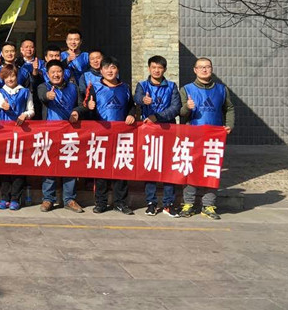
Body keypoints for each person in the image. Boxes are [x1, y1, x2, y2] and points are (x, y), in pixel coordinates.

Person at [179, 57, 234, 220]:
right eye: (201, 67)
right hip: (193, 136)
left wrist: (229, 125)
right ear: (195, 70)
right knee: (191, 170)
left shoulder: (222, 89)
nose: (204, 70)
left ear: (211, 69)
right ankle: (188, 203)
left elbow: (229, 108)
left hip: (214, 137)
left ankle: (209, 205)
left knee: (212, 170)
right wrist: (187, 107)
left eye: (207, 67)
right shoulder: (186, 89)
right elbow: (181, 113)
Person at [84, 56, 139, 215]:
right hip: (101, 135)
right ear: (101, 71)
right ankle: (101, 202)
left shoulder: (125, 87)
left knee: (121, 169)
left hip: (121, 136)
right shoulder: (94, 87)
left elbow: (131, 106)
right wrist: (89, 107)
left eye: (113, 67)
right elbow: (87, 110)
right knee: (101, 170)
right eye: (106, 68)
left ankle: (120, 203)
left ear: (118, 70)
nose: (110, 71)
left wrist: (131, 114)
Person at [135, 55, 182, 217]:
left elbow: (176, 107)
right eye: (153, 67)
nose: (156, 70)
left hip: (168, 131)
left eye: (160, 68)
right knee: (151, 166)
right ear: (149, 68)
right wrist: (143, 100)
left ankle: (169, 203)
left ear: (164, 69)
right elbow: (136, 98)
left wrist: (157, 116)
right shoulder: (142, 85)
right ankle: (151, 203)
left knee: (168, 168)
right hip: (149, 132)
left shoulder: (171, 86)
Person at [37, 60, 84, 213]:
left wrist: (76, 112)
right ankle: (48, 199)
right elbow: (41, 96)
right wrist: (48, 96)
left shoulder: (73, 87)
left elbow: (81, 105)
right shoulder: (44, 86)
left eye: (59, 71)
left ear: (63, 73)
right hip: (50, 132)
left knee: (69, 164)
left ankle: (69, 199)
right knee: (49, 165)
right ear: (47, 74)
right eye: (53, 72)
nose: (56, 75)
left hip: (70, 133)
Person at [0, 64, 35, 211]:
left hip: (21, 133)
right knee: (4, 166)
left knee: (19, 166)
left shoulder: (25, 92)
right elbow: (0, 103)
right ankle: (4, 197)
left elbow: (31, 110)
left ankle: (15, 198)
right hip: (4, 134)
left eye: (12, 76)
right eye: (7, 76)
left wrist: (25, 114)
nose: (10, 79)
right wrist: (3, 105)